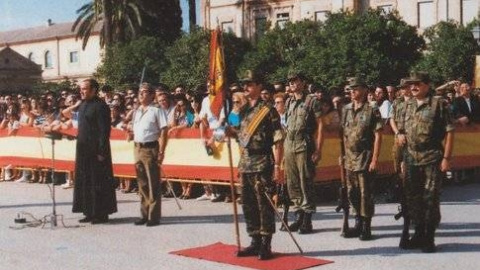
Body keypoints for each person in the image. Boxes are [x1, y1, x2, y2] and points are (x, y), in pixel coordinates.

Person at [230, 70, 284, 260]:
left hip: (262, 163)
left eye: (250, 84)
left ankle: (266, 244)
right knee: (248, 204)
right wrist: (232, 111)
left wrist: (278, 166)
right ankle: (254, 240)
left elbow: (278, 139)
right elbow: (232, 130)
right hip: (245, 163)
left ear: (260, 86)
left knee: (264, 205)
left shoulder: (268, 110)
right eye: (244, 84)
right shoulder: (242, 110)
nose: (246, 87)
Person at [402, 72, 454, 253]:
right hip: (410, 159)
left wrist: (446, 158)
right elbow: (402, 130)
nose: (413, 87)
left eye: (417, 84)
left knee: (430, 198)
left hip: (432, 158)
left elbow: (449, 132)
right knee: (412, 198)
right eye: (411, 84)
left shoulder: (438, 104)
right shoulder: (407, 104)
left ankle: (429, 237)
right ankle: (418, 233)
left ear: (427, 85)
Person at [341, 77, 383, 240]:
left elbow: (378, 135)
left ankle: (366, 226)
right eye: (350, 89)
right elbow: (343, 134)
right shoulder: (346, 109)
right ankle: (357, 222)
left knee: (366, 193)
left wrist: (374, 159)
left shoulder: (372, 110)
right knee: (352, 193)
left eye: (356, 88)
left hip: (365, 157)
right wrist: (343, 155)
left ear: (365, 90)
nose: (352, 92)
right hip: (349, 159)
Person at [72, 79, 117, 224]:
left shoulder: (101, 106)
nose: (81, 91)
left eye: (84, 89)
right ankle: (88, 211)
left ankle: (100, 213)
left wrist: (101, 151)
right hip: (83, 150)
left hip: (96, 151)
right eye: (81, 89)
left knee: (98, 181)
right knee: (85, 181)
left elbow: (105, 131)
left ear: (93, 90)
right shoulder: (83, 105)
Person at [284, 71, 323, 234]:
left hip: (303, 143)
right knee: (292, 182)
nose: (292, 84)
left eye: (296, 81)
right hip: (289, 143)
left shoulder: (312, 100)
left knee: (305, 180)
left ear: (303, 82)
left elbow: (321, 125)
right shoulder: (289, 101)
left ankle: (307, 220)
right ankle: (298, 215)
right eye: (290, 81)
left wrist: (318, 149)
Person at [128, 83, 168, 227]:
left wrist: (162, 151)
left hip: (150, 148)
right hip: (137, 148)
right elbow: (134, 129)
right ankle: (144, 214)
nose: (141, 95)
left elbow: (164, 131)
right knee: (142, 183)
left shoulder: (157, 110)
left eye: (145, 92)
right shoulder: (137, 110)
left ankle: (154, 216)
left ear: (152, 95)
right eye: (140, 92)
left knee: (153, 183)